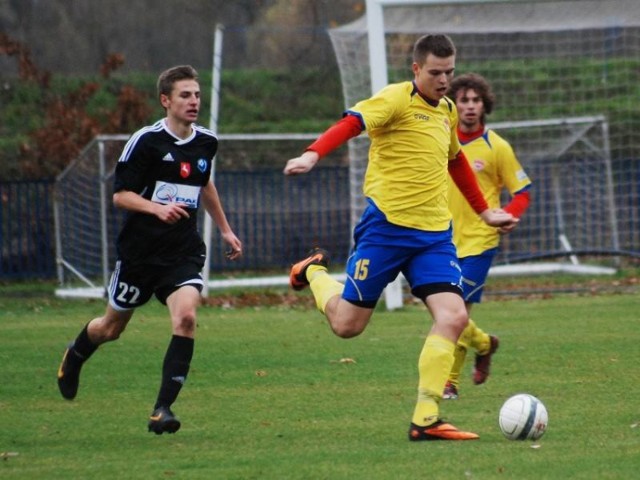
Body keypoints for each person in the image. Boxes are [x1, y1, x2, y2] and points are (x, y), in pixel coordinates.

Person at [283, 35, 517, 441]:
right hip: (385, 231)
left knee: (454, 316)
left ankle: (426, 418)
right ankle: (315, 274)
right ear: (416, 70)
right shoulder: (395, 99)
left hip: (433, 237)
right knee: (347, 326)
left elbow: (456, 162)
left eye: (449, 72)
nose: (444, 81)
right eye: (435, 73)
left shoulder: (446, 111)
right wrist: (313, 153)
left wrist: (483, 211)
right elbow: (351, 123)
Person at [56, 65, 243, 435]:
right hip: (140, 255)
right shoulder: (145, 141)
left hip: (182, 252)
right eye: (185, 95)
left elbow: (204, 184)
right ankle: (75, 355)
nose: (193, 102)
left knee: (187, 318)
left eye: (197, 95)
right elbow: (120, 196)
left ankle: (163, 409)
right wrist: (157, 208)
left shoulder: (207, 141)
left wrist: (225, 229)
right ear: (165, 101)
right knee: (111, 328)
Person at [442, 73, 532, 400]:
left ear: (484, 105)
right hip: (440, 241)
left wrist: (511, 214)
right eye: (463, 100)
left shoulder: (497, 146)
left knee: (456, 313)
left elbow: (522, 191)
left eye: (475, 100)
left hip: (480, 241)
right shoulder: (442, 139)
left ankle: (448, 381)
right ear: (454, 103)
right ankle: (484, 344)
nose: (469, 107)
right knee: (446, 313)